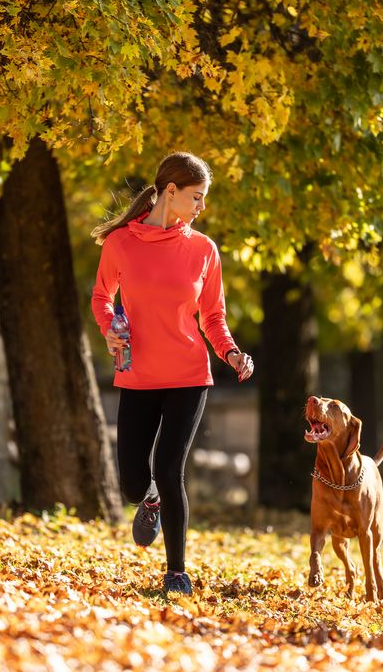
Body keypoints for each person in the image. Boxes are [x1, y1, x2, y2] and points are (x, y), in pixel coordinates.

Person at [90, 152, 254, 596]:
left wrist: (232, 352)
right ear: (170, 192)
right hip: (138, 374)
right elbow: (102, 297)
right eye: (196, 197)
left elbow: (213, 316)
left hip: (188, 374)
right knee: (129, 482)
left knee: (169, 465)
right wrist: (111, 330)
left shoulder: (203, 250)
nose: (201, 207)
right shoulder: (121, 243)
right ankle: (149, 501)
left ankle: (176, 571)